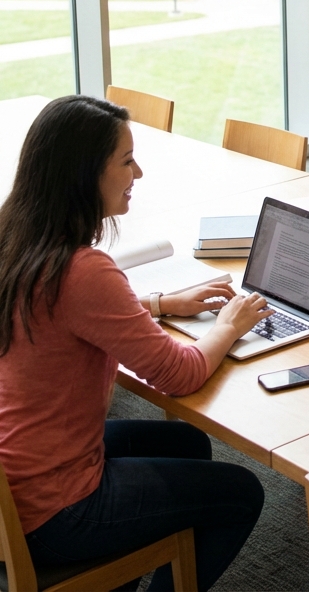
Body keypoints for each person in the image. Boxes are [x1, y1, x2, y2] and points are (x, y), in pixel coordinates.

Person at [0, 95, 273, 592]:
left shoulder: (15, 238)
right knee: (242, 492)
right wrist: (229, 324)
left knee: (187, 443)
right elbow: (180, 374)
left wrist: (163, 303)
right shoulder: (81, 270)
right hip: (55, 513)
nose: (139, 174)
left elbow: (66, 317)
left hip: (15, 477)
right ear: (86, 174)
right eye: (126, 161)